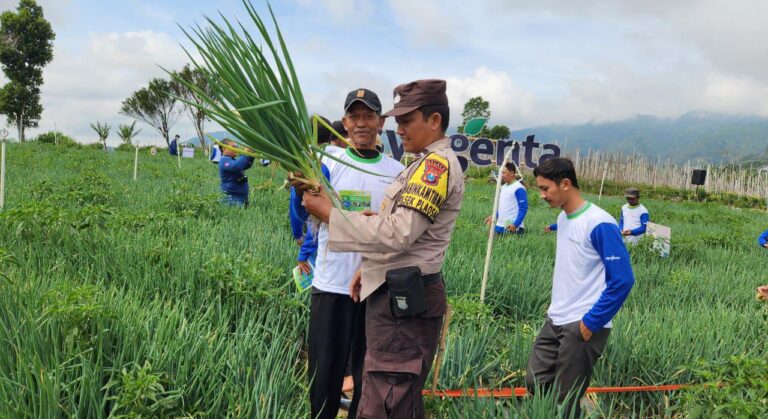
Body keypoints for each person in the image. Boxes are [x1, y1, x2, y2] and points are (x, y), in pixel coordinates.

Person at [298, 79, 464, 418]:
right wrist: (370, 266)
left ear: (434, 121)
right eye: (398, 121)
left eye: (406, 121)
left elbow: (399, 232)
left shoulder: (431, 167)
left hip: (402, 295)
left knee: (386, 394)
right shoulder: (414, 164)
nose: (399, 130)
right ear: (345, 122)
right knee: (372, 385)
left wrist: (332, 215)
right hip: (366, 284)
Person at [292, 90, 404, 419]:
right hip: (331, 283)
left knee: (367, 372)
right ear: (344, 122)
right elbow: (303, 215)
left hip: (375, 288)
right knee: (324, 372)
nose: (361, 123)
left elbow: (399, 229)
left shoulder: (396, 172)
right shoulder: (325, 162)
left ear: (381, 123)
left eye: (369, 116)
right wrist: (299, 191)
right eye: (354, 117)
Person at [525, 157, 635, 417]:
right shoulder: (564, 218)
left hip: (583, 323)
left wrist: (591, 322)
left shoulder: (600, 223)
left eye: (545, 188)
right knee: (535, 381)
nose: (542, 195)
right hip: (556, 318)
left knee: (567, 399)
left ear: (565, 184)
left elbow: (622, 279)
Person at [485, 161, 528, 235]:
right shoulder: (503, 187)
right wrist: (494, 216)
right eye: (501, 173)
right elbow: (503, 207)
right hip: (499, 226)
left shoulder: (519, 188)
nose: (501, 175)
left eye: (504, 173)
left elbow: (523, 208)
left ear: (512, 173)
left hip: (512, 227)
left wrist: (515, 225)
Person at [218, 139, 254, 207]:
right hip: (231, 199)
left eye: (236, 146)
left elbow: (246, 165)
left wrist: (251, 155)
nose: (236, 148)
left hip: (240, 198)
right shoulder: (224, 161)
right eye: (233, 147)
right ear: (224, 149)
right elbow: (236, 166)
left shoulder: (231, 160)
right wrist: (245, 153)